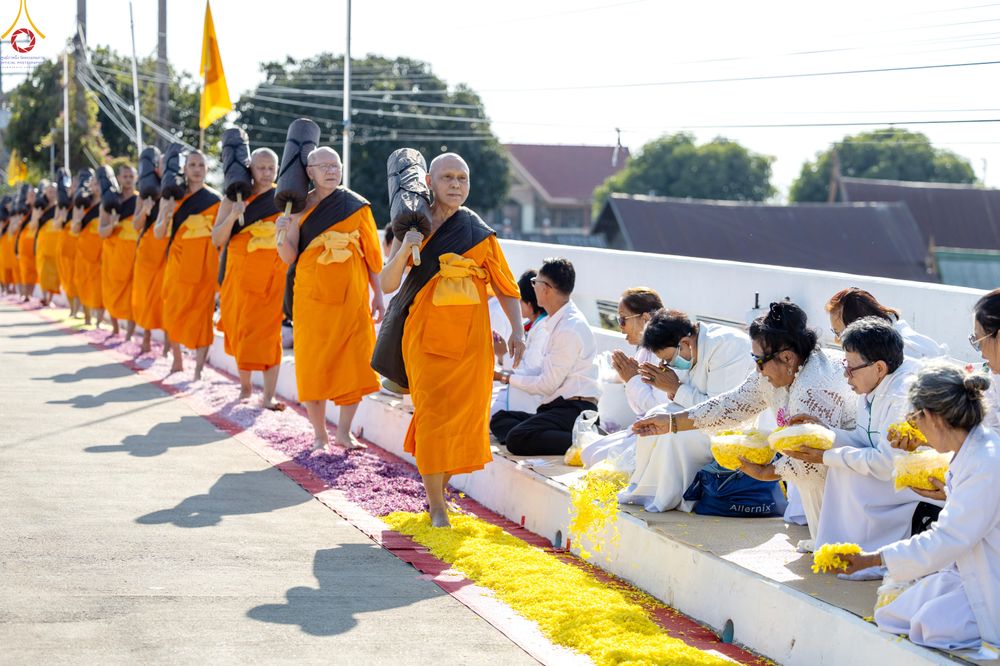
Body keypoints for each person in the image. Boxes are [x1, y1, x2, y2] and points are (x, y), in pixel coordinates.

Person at [375, 152, 525, 528]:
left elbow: (505, 286)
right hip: (425, 342)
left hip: (472, 346)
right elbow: (388, 283)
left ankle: (439, 495)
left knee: (464, 422)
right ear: (429, 181)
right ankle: (436, 504)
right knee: (433, 420)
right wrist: (406, 243)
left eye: (462, 178)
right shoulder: (414, 224)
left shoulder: (477, 231)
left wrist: (518, 329)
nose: (456, 185)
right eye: (447, 178)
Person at [632, 301, 855, 545]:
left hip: (854, 475)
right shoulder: (778, 371)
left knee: (822, 502)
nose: (757, 370)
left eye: (759, 360)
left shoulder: (813, 388)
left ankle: (835, 545)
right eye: (753, 359)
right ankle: (827, 542)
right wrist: (672, 423)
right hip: (824, 471)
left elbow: (812, 462)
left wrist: (766, 472)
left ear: (788, 357)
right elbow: (731, 405)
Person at [836, 363, 1000, 653]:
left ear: (932, 417)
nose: (916, 429)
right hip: (970, 565)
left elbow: (948, 537)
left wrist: (873, 559)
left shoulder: (985, 461)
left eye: (915, 420)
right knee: (893, 614)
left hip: (990, 572)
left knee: (929, 627)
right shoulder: (974, 448)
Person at [785, 317, 927, 578]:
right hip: (888, 468)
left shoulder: (903, 394)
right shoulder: (872, 386)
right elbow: (864, 439)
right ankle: (837, 548)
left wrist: (827, 455)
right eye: (844, 365)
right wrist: (824, 434)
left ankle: (868, 555)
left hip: (912, 479)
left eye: (851, 369)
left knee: (843, 467)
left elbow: (887, 464)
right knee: (842, 465)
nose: (845, 375)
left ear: (880, 367)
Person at [276, 146, 384, 449]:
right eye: (323, 166)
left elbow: (372, 258)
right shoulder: (297, 208)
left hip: (352, 298)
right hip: (312, 300)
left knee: (356, 362)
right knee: (313, 364)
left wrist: (379, 296)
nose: (331, 171)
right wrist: (280, 234)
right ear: (309, 172)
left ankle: (344, 431)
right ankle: (320, 435)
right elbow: (289, 257)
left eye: (335, 165)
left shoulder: (356, 206)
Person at [616, 309, 755, 510]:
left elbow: (719, 412)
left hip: (736, 425)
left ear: (685, 343)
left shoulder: (726, 347)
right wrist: (671, 388)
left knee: (674, 433)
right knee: (654, 417)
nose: (667, 364)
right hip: (703, 414)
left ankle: (675, 496)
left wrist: (675, 388)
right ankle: (647, 490)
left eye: (669, 360)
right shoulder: (692, 347)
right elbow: (688, 398)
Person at [489, 258, 598, 456]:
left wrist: (504, 377)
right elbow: (540, 372)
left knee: (516, 438)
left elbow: (546, 384)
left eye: (535, 283)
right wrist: (502, 373)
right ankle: (568, 436)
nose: (533, 287)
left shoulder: (569, 328)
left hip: (574, 409)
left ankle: (589, 441)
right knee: (500, 419)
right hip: (555, 406)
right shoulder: (557, 320)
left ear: (546, 288)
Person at [214, 148, 284, 410]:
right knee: (241, 329)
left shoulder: (284, 198)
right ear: (250, 169)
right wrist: (234, 214)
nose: (266, 174)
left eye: (271, 168)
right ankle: (245, 388)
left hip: (272, 277)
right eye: (260, 168)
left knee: (270, 334)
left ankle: (268, 396)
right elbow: (216, 239)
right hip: (239, 276)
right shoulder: (233, 198)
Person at [154, 150, 222, 379]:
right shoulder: (173, 197)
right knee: (174, 311)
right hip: (178, 262)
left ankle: (199, 369)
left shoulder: (215, 200)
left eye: (201, 165)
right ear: (184, 169)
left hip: (205, 265)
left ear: (207, 169)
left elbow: (221, 239)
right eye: (192, 164)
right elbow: (158, 233)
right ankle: (177, 361)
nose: (197, 169)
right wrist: (164, 212)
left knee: (202, 316)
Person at [828, 287, 946, 359]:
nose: (836, 340)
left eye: (840, 334)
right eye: (834, 331)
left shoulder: (900, 352)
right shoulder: (892, 338)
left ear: (860, 330)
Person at [491, 269, 548, 415]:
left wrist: (503, 354)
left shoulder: (543, 329)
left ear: (529, 304)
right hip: (517, 393)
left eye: (519, 301)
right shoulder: (534, 324)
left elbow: (530, 371)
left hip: (529, 401)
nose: (516, 306)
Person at [98, 164, 139, 339]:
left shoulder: (141, 200)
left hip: (135, 252)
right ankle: (115, 328)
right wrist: (113, 223)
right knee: (112, 290)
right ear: (119, 178)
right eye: (125, 176)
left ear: (136, 178)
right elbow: (101, 232)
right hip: (113, 252)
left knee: (132, 294)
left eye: (131, 176)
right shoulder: (110, 202)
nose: (128, 180)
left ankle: (129, 334)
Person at [72, 174, 104, 326]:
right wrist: (78, 219)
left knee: (99, 285)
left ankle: (99, 319)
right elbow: (75, 228)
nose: (96, 187)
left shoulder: (109, 201)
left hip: (101, 251)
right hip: (84, 250)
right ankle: (87, 317)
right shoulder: (83, 203)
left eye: (98, 183)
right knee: (83, 283)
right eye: (93, 184)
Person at [58, 174, 82, 318]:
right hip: (65, 244)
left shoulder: (85, 202)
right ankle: (71, 308)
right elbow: (56, 224)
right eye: (73, 185)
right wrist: (61, 217)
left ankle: (78, 310)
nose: (75, 188)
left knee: (77, 278)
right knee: (67, 279)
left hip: (80, 245)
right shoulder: (63, 204)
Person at [33, 180, 60, 306]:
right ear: (45, 192)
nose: (52, 194)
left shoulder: (60, 206)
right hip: (43, 241)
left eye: (54, 191)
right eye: (49, 191)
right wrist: (38, 217)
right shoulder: (39, 207)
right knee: (43, 270)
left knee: (54, 272)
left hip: (55, 242)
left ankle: (50, 298)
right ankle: (44, 297)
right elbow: (33, 226)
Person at [15, 188, 38, 302]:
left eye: (34, 195)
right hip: (24, 243)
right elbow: (17, 226)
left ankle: (31, 294)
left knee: (34, 270)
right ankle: (25, 294)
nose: (32, 197)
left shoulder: (39, 208)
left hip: (34, 242)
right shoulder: (22, 209)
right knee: (25, 269)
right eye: (30, 195)